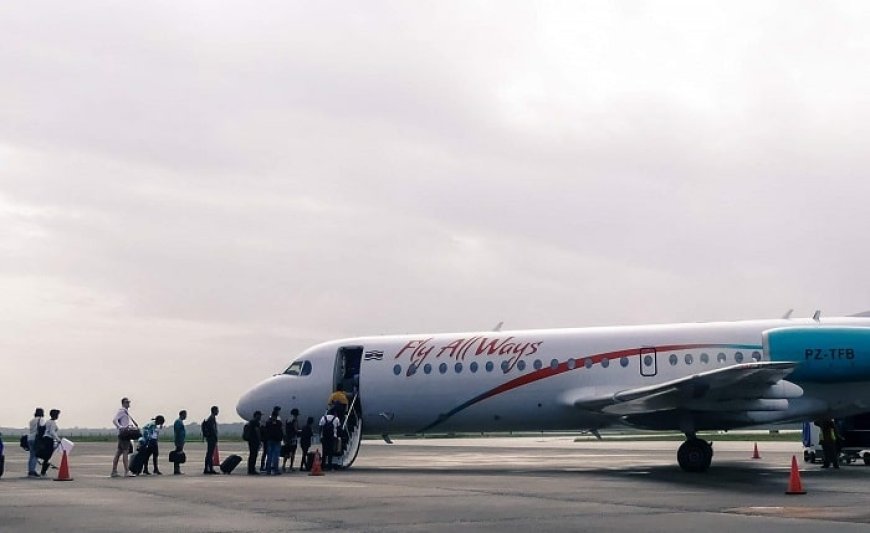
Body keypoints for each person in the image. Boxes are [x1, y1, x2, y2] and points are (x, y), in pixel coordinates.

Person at [112, 397, 139, 477]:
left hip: (123, 434)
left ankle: (114, 471)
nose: (128, 404)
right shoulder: (122, 411)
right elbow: (114, 420)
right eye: (127, 402)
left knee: (119, 452)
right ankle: (127, 471)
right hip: (124, 434)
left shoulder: (125, 412)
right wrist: (120, 427)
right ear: (123, 403)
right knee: (125, 452)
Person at [38, 409, 61, 477]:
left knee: (47, 456)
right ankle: (43, 472)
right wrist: (58, 439)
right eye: (57, 415)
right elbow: (52, 432)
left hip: (45, 439)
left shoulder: (48, 421)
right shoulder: (53, 422)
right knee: (48, 457)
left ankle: (42, 468)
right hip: (49, 440)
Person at [263, 407, 284, 475]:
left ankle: (268, 470)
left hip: (270, 440)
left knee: (269, 456)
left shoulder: (268, 422)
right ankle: (276, 470)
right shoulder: (279, 423)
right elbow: (281, 431)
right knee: (276, 456)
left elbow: (266, 431)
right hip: (277, 440)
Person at [27, 408, 45, 478]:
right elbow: (42, 429)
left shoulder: (31, 421)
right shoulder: (41, 420)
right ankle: (32, 471)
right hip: (36, 439)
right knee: (35, 456)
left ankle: (30, 470)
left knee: (31, 456)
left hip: (29, 438)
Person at [243, 410, 262, 475]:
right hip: (254, 441)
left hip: (250, 441)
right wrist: (259, 441)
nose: (260, 417)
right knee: (254, 455)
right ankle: (252, 469)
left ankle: (250, 469)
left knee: (251, 455)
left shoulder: (250, 422)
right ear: (257, 416)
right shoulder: (256, 422)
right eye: (260, 416)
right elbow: (257, 432)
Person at [202, 406, 219, 475]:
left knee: (209, 454)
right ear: (214, 410)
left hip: (210, 438)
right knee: (210, 454)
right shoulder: (211, 419)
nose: (218, 412)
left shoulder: (211, 418)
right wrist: (215, 437)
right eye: (217, 410)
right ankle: (209, 469)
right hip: (211, 438)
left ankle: (208, 468)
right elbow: (212, 430)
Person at [172, 410, 187, 475]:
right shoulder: (178, 422)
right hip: (179, 441)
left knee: (178, 454)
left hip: (180, 440)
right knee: (177, 455)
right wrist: (180, 441)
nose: (186, 416)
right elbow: (178, 432)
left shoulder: (180, 422)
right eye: (185, 415)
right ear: (182, 415)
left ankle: (177, 469)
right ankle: (176, 470)